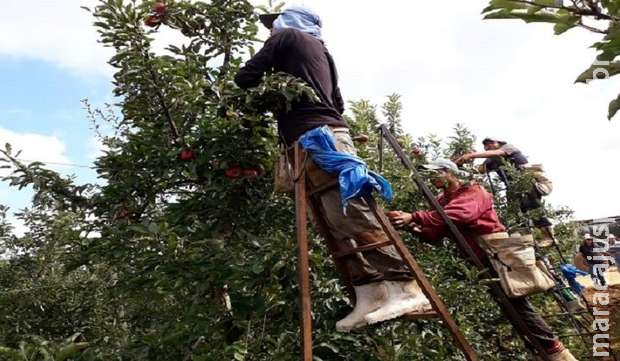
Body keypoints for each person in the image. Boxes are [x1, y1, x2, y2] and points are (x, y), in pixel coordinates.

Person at [234, 6, 430, 332]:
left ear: (289, 23)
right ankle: (370, 292)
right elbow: (337, 103)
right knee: (334, 221)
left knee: (351, 212)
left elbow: (245, 78)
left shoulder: (286, 37)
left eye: (274, 24)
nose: (272, 30)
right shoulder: (323, 52)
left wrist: (272, 92)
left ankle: (405, 285)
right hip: (318, 136)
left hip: (319, 138)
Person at [387, 159, 576, 361]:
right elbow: (433, 234)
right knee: (508, 305)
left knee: (516, 303)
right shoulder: (441, 202)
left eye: (436, 173)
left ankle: (557, 354)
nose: (432, 178)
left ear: (449, 173)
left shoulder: (474, 191)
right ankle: (543, 350)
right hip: (477, 259)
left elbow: (462, 214)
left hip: (496, 255)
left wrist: (414, 216)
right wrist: (409, 225)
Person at [455, 137, 555, 247]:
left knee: (532, 206)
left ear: (498, 143)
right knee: (517, 212)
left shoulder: (508, 148)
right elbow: (479, 170)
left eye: (490, 144)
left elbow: (498, 153)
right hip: (512, 187)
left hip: (525, 181)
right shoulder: (491, 159)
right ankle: (525, 239)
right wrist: (461, 164)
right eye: (485, 146)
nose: (487, 147)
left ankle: (548, 236)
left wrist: (472, 155)